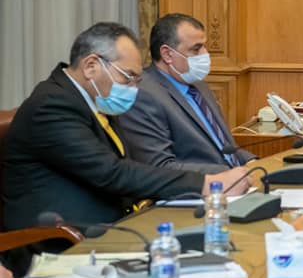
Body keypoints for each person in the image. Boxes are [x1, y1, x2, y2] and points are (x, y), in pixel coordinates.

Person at [1, 22, 251, 232]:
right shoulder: (52, 106)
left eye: (136, 80)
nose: (132, 88)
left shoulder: (94, 99)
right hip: (63, 239)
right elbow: (112, 173)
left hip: (113, 224)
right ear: (91, 66)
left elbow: (126, 167)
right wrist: (205, 184)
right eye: (127, 77)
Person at [116, 13, 255, 173]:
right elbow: (160, 167)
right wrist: (228, 174)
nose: (205, 54)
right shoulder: (142, 95)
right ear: (167, 54)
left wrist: (251, 162)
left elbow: (224, 147)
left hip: (236, 178)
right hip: (202, 185)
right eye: (196, 49)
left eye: (204, 46)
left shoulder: (197, 84)